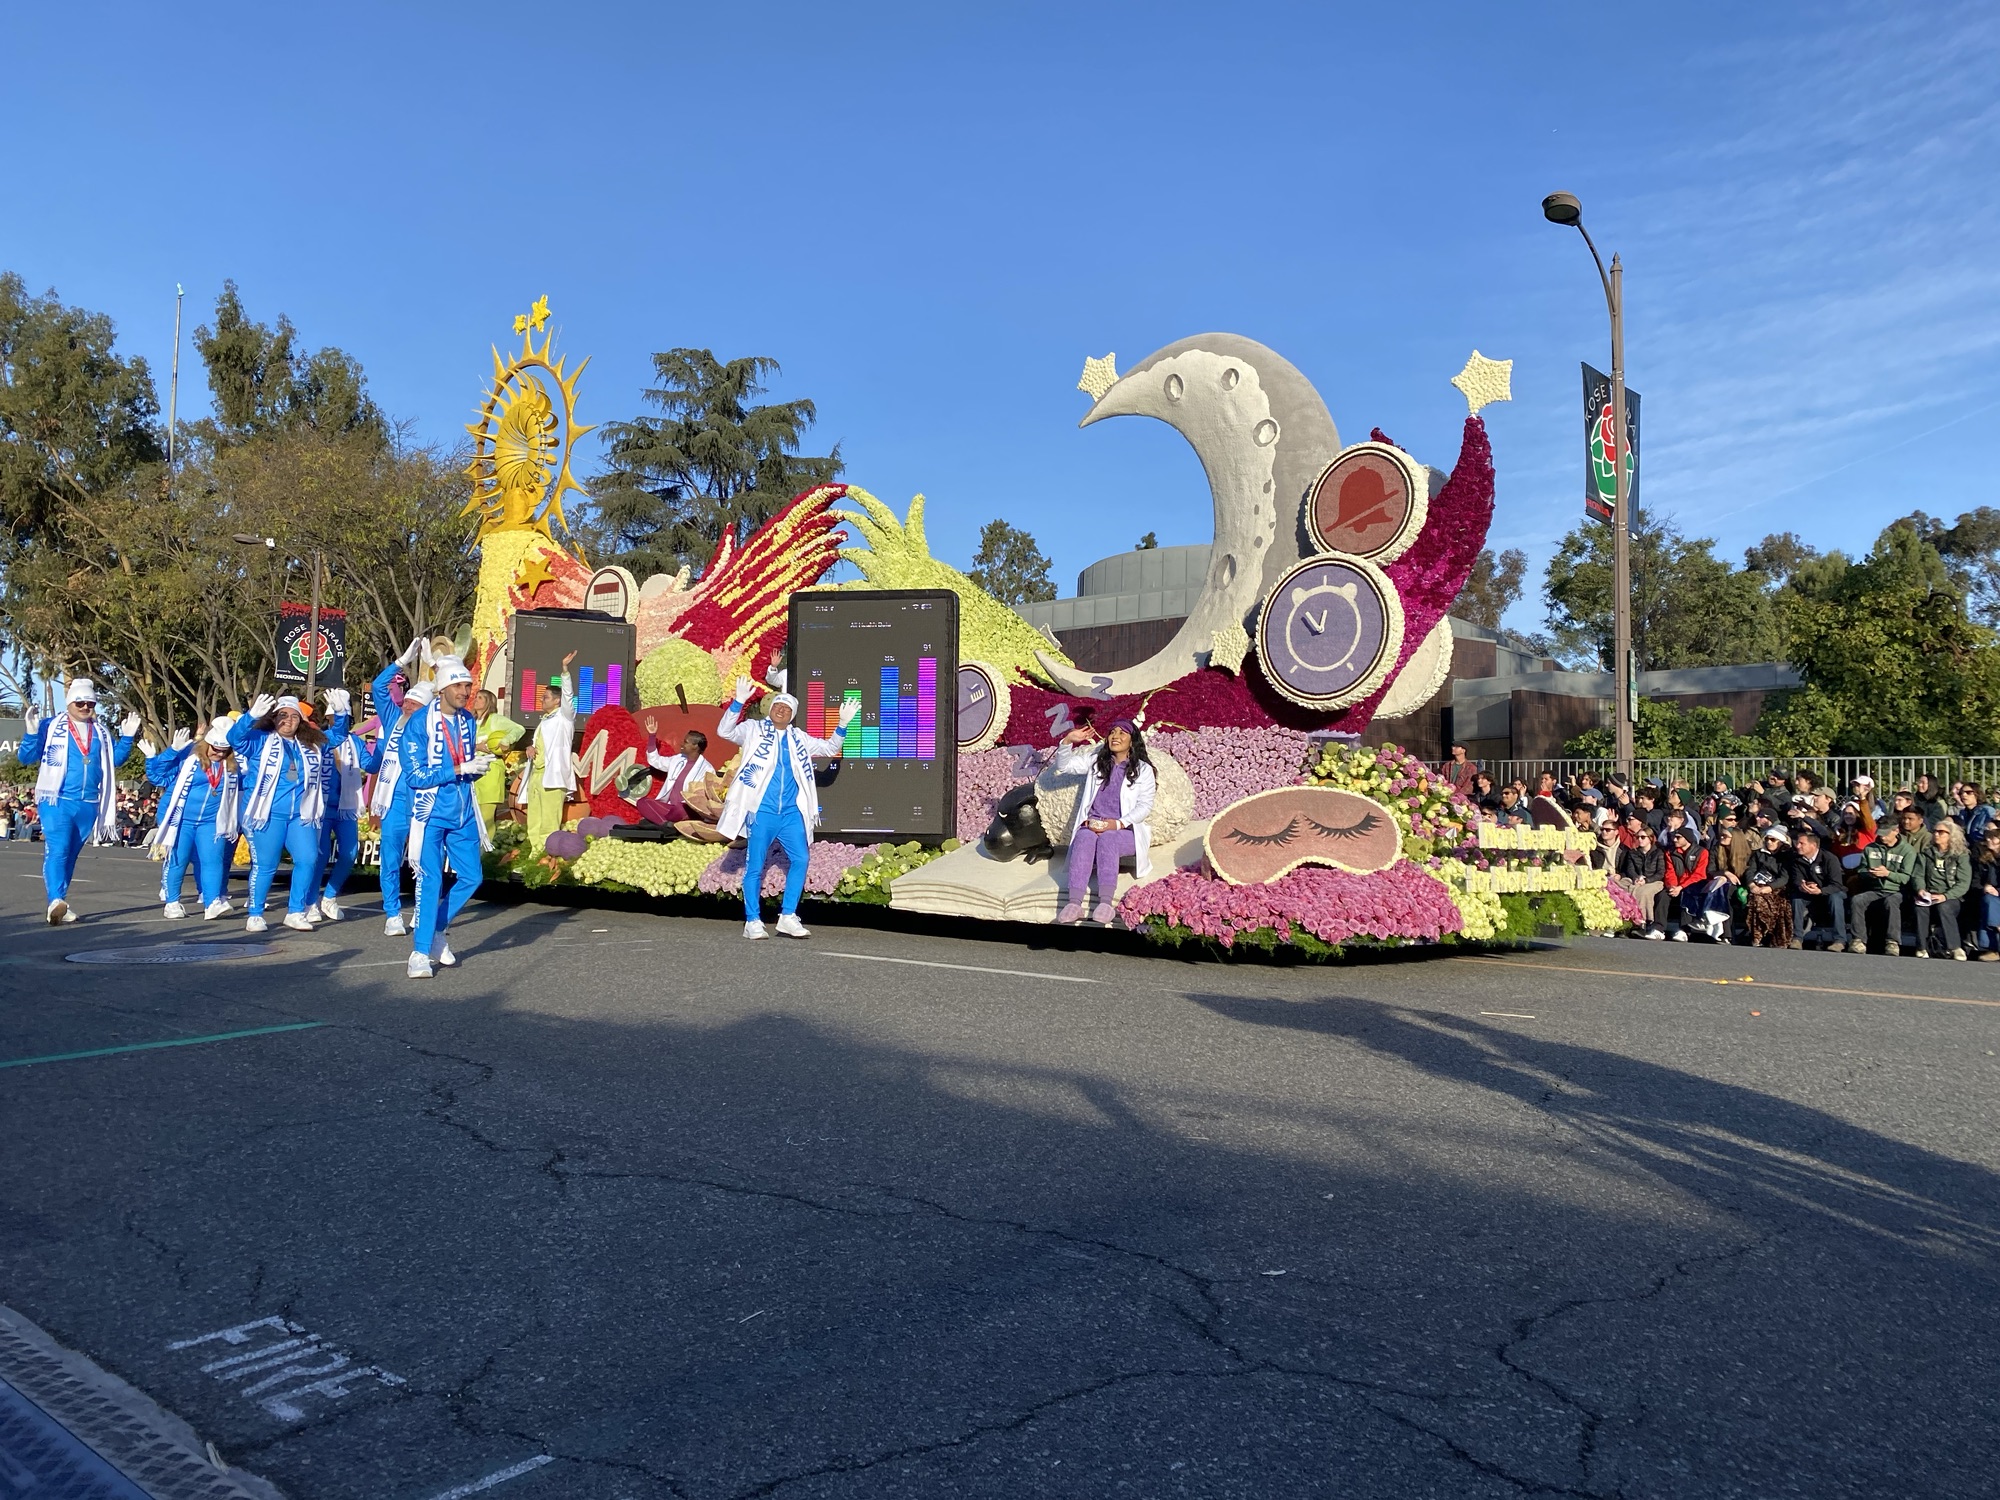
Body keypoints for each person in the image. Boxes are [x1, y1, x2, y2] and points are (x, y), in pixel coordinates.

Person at [715, 675, 856, 939]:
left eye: (787, 708)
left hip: (791, 813)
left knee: (801, 858)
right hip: (761, 812)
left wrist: (843, 724)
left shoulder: (799, 738)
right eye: (778, 705)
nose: (781, 709)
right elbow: (724, 732)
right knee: (755, 866)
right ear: (770, 709)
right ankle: (752, 921)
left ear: (793, 715)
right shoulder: (753, 729)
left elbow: (829, 748)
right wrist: (738, 702)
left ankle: (788, 916)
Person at [17, 680, 140, 924]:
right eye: (80, 702)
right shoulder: (51, 726)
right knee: (59, 849)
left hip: (89, 803)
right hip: (57, 799)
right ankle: (54, 899)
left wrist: (127, 738)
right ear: (70, 702)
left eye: (90, 703)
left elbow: (113, 761)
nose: (85, 707)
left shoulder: (101, 732)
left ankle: (60, 901)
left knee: (70, 855)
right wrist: (31, 733)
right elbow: (26, 757)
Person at [229, 690, 352, 933]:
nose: (289, 720)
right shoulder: (259, 739)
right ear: (273, 718)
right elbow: (235, 738)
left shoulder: (312, 745)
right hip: (269, 814)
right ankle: (255, 913)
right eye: (283, 715)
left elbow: (338, 735)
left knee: (308, 860)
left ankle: (296, 912)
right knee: (266, 865)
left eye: (295, 717)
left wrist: (341, 713)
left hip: (301, 815)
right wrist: (250, 715)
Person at [400, 658, 494, 977]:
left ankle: (437, 929)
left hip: (463, 812)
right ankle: (419, 953)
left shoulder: (468, 720)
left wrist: (477, 768)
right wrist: (457, 769)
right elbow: (414, 775)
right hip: (430, 814)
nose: (465, 692)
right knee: (431, 879)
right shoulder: (418, 724)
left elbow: (463, 766)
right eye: (458, 686)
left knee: (472, 877)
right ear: (441, 689)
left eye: (468, 685)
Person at [1054, 718, 1159, 925]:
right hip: (1093, 825)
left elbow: (1144, 806)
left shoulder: (1143, 770)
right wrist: (1067, 741)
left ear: (1132, 740)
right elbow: (1065, 766)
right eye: (1112, 732)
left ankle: (1105, 903)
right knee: (1083, 837)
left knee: (1109, 838)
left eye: (1122, 733)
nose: (1115, 736)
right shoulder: (1096, 761)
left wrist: (1117, 824)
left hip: (1125, 831)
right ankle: (1074, 903)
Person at [144, 719, 241, 919]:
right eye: (216, 749)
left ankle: (213, 901)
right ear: (208, 744)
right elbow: (158, 776)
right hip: (182, 820)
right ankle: (172, 903)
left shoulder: (232, 767)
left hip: (212, 822)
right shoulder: (188, 758)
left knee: (212, 861)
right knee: (178, 860)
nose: (219, 753)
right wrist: (170, 751)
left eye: (225, 750)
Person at [364, 673, 432, 938]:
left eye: (414, 704)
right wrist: (401, 663)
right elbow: (379, 687)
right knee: (390, 860)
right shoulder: (393, 721)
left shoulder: (433, 731)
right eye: (407, 701)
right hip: (393, 802)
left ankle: (419, 911)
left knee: (423, 860)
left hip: (422, 803)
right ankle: (392, 914)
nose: (407, 706)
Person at [311, 692, 367, 922]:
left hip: (346, 806)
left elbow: (370, 764)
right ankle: (310, 900)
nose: (337, 720)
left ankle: (330, 896)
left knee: (349, 853)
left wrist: (385, 745)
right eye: (333, 715)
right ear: (328, 718)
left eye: (342, 716)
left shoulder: (355, 741)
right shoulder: (320, 739)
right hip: (322, 807)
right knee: (319, 855)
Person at [519, 651, 578, 852]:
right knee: (534, 818)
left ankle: (548, 854)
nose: (542, 700)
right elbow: (540, 744)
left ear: (557, 701)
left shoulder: (565, 718)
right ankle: (535, 852)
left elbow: (569, 697)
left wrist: (565, 671)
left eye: (546, 697)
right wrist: (531, 747)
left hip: (553, 776)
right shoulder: (544, 721)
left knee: (549, 822)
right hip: (537, 775)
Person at [1849, 817, 1917, 954]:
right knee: (1857, 900)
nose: (1883, 837)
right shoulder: (1870, 848)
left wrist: (1888, 874)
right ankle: (1858, 940)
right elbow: (1861, 870)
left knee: (1891, 901)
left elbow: (1906, 878)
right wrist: (1870, 874)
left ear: (1896, 831)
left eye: (1886, 833)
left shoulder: (1908, 851)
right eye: (1880, 833)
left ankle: (1892, 942)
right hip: (1874, 889)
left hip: (1897, 891)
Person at [1906, 817, 1971, 960]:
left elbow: (1964, 883)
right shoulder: (1926, 853)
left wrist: (1945, 896)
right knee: (1920, 907)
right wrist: (1921, 890)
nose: (1936, 834)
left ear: (1951, 835)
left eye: (1941, 832)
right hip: (1929, 894)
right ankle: (1921, 947)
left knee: (1944, 907)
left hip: (1952, 897)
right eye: (1935, 831)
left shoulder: (1960, 856)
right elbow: (1917, 875)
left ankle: (1955, 947)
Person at [638, 719, 718, 829]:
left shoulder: (707, 769)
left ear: (695, 746)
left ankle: (655, 820)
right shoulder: (677, 759)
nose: (682, 743)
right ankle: (665, 825)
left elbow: (702, 798)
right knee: (642, 802)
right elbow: (655, 761)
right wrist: (652, 736)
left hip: (686, 810)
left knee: (681, 808)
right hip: (668, 808)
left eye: (686, 742)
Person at [470, 689, 525, 831]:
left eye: (481, 697)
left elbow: (519, 729)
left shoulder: (495, 719)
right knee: (472, 817)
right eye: (476, 697)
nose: (476, 700)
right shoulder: (471, 721)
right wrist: (476, 747)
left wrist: (506, 741)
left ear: (489, 702)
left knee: (486, 817)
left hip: (491, 770)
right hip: (472, 771)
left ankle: (484, 851)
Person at [1787, 828, 1849, 952]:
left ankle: (1839, 940)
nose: (1797, 846)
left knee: (1836, 898)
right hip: (1808, 893)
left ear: (1813, 845)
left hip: (1830, 892)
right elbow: (1796, 879)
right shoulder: (1797, 859)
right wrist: (1802, 886)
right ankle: (1797, 938)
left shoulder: (1830, 859)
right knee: (1797, 899)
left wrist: (1820, 890)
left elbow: (1836, 884)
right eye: (1797, 843)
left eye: (1801, 843)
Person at [1743, 826, 1795, 948]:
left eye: (1772, 840)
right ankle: (1757, 935)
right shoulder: (1758, 854)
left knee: (1762, 901)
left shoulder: (1786, 855)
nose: (1769, 842)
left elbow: (1784, 878)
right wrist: (1751, 884)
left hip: (1777, 887)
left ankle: (1763, 934)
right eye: (1767, 839)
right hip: (1757, 884)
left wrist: (1770, 887)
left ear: (1780, 841)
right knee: (1756, 899)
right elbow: (1750, 870)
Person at [1658, 825, 1709, 941]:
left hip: (1695, 884)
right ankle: (1658, 927)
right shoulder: (1670, 853)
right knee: (1663, 895)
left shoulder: (1702, 852)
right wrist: (1672, 886)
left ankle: (1684, 930)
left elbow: (1699, 874)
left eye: (1678, 837)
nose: (1674, 840)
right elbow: (1670, 872)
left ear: (1687, 839)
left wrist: (1681, 887)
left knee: (1688, 894)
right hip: (1677, 884)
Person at [1617, 825, 1666, 939]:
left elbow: (1660, 872)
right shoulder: (1633, 852)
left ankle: (1642, 921)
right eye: (1638, 837)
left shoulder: (1658, 853)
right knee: (1622, 888)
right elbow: (1630, 869)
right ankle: (1623, 921)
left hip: (1654, 880)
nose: (1639, 840)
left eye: (1643, 837)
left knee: (1643, 892)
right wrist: (1636, 878)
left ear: (1650, 838)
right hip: (1636, 879)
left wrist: (1646, 880)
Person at [1968, 826, 2000, 961]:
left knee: (1990, 902)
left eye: (1993, 837)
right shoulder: (1985, 858)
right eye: (1988, 836)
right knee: (1988, 900)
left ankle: (1994, 946)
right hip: (1991, 896)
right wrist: (1985, 888)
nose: (1988, 839)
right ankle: (1993, 947)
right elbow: (1975, 881)